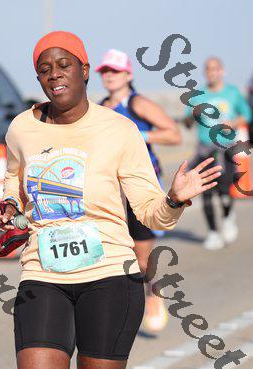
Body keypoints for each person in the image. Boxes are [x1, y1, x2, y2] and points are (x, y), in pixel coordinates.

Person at [0, 31, 221, 369]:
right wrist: (6, 209)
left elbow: (150, 212)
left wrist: (175, 199)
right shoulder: (22, 128)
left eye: (64, 64)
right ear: (39, 77)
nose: (55, 74)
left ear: (85, 70)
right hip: (43, 273)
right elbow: (12, 184)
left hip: (110, 278)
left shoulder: (118, 130)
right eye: (45, 68)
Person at [96, 48, 182, 334]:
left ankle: (153, 294)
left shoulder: (138, 103)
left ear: (128, 74)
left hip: (140, 190)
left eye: (115, 70)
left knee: (142, 258)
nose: (109, 75)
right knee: (111, 255)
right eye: (105, 71)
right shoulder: (100, 109)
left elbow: (174, 134)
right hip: (110, 192)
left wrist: (138, 135)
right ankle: (116, 310)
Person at [184, 56, 252, 250]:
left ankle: (228, 216)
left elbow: (247, 114)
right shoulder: (198, 95)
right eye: (208, 69)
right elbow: (187, 122)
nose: (212, 72)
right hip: (205, 148)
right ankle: (213, 232)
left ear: (222, 71)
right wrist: (193, 115)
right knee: (205, 191)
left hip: (226, 147)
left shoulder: (232, 92)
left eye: (215, 69)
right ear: (205, 72)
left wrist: (233, 123)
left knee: (224, 189)